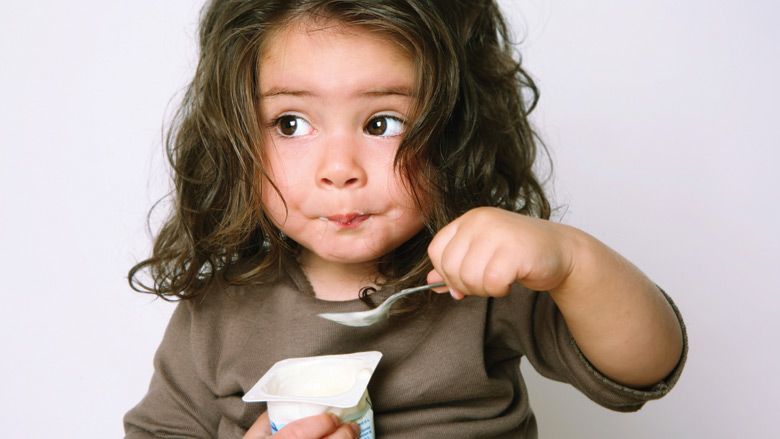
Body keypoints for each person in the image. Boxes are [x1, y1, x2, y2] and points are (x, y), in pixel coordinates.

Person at [124, 0, 687, 438]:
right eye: (291, 124)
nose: (339, 170)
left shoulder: (482, 269)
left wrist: (571, 261)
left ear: (454, 131)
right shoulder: (218, 313)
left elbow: (643, 371)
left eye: (381, 124)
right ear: (235, 136)